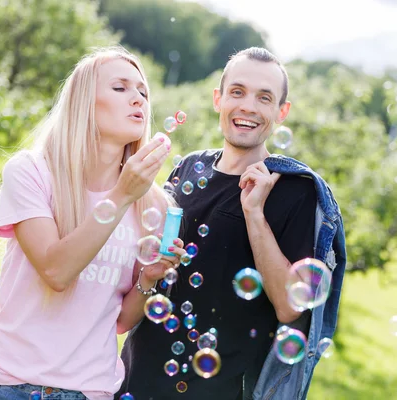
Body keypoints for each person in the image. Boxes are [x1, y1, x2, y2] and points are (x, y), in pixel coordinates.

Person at [116, 47, 346, 400]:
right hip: (136, 377)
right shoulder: (189, 167)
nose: (248, 107)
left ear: (281, 112)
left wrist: (254, 214)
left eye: (264, 98)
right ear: (218, 99)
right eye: (237, 92)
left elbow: (289, 306)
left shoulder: (296, 192)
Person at [0, 46, 186, 400]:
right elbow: (56, 271)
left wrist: (148, 278)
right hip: (6, 386)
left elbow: (121, 320)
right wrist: (122, 194)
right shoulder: (32, 173)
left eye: (142, 91)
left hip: (88, 391)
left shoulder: (150, 203)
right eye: (120, 88)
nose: (138, 99)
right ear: (84, 101)